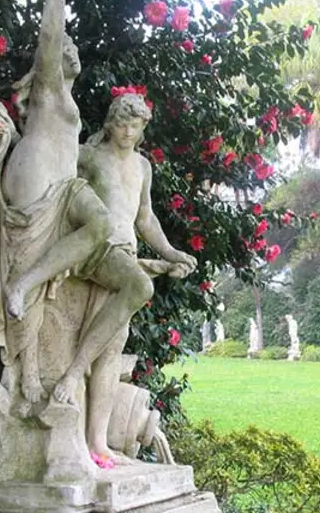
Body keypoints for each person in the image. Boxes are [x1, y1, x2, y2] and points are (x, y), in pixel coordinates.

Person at [0, 0, 114, 404]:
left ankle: (28, 281)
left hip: (61, 183)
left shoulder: (67, 102)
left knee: (99, 226)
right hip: (36, 182)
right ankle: (29, 377)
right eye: (66, 48)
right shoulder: (48, 87)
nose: (70, 51)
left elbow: (74, 149)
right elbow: (49, 32)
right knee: (29, 285)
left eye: (73, 47)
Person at [54, 93, 196, 458]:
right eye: (121, 123)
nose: (127, 131)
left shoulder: (142, 166)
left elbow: (145, 218)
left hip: (126, 256)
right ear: (110, 123)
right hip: (99, 249)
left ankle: (96, 442)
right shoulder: (90, 156)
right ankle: (72, 374)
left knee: (111, 350)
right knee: (141, 285)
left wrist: (171, 252)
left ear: (142, 129)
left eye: (135, 126)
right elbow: (55, 175)